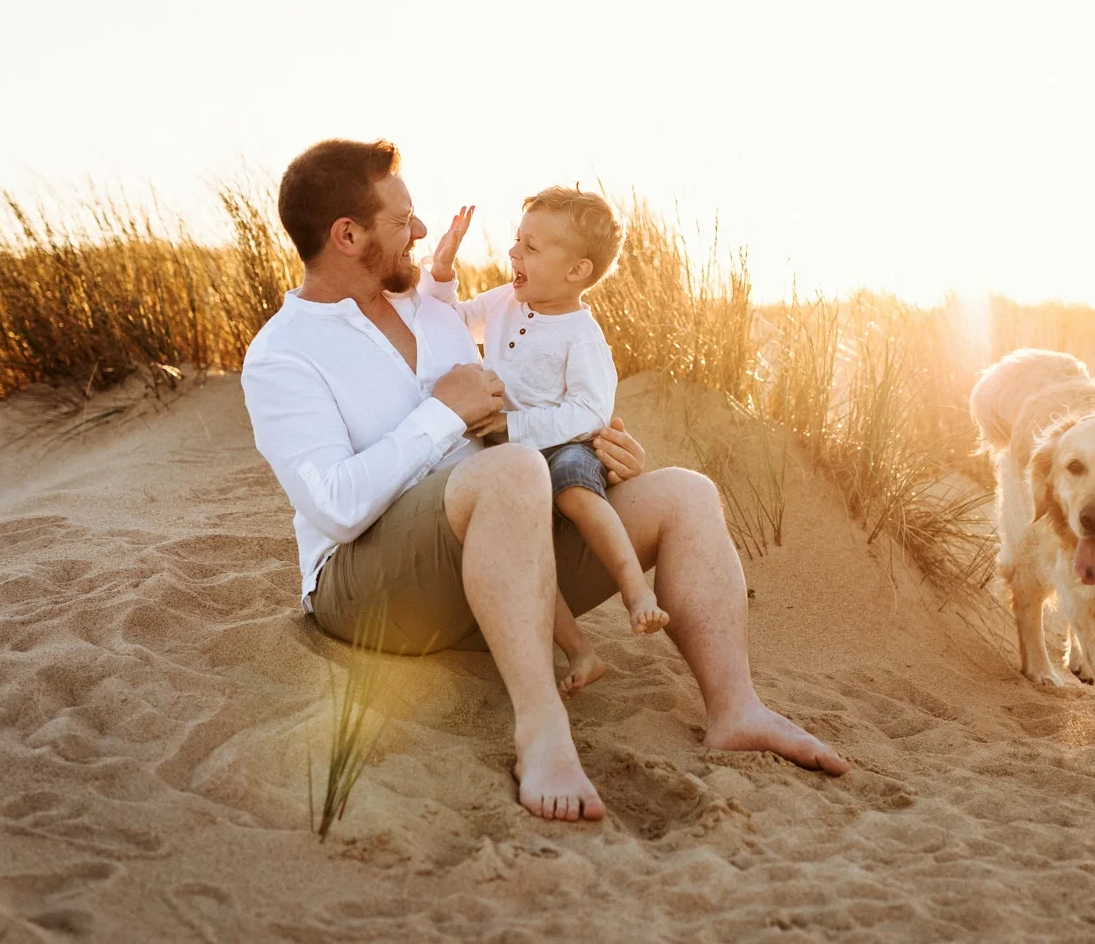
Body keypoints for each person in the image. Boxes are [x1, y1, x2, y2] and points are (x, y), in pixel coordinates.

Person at [241, 138, 849, 823]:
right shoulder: (282, 355)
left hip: (488, 561)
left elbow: (513, 416)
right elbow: (337, 507)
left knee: (684, 493)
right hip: (364, 587)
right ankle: (541, 727)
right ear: (347, 235)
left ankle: (737, 708)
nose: (419, 231)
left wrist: (596, 452)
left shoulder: (435, 313)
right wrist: (446, 414)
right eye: (401, 220)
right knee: (507, 471)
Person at [418, 186, 662, 699]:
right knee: (522, 549)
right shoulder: (506, 301)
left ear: (577, 271)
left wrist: (516, 428)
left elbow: (590, 412)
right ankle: (579, 650)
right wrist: (440, 272)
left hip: (562, 444)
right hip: (508, 458)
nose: (513, 254)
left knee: (575, 488)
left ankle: (636, 591)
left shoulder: (582, 334)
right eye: (516, 241)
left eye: (531, 248)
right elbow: (452, 323)